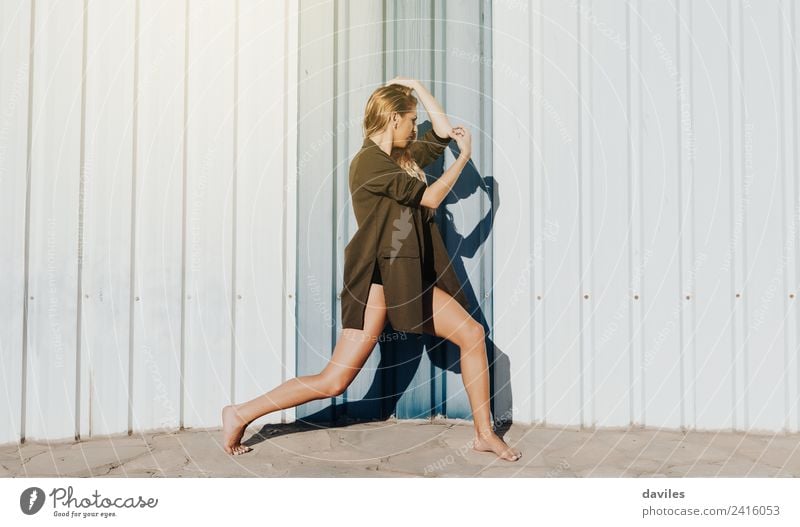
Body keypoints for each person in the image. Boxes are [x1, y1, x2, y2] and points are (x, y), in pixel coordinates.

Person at [222, 76, 521, 462]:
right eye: (411, 121)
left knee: (472, 334)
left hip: (407, 277)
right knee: (335, 380)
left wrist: (415, 85)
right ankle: (240, 412)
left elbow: (443, 131)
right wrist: (463, 159)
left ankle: (484, 434)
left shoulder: (400, 158)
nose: (416, 129)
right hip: (377, 280)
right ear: (394, 119)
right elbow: (430, 198)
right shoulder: (369, 163)